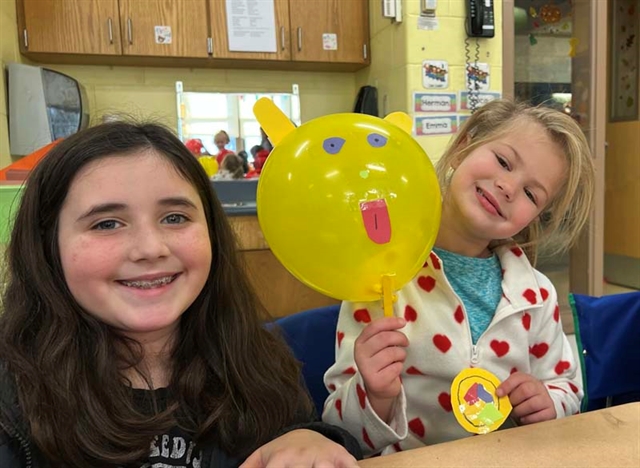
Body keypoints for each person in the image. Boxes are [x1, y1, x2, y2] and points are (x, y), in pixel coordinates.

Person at [0, 122, 362, 467]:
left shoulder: (256, 360)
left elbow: (297, 438)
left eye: (174, 217)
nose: (150, 248)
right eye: (106, 223)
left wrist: (311, 439)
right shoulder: (11, 396)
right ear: (48, 246)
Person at [322, 99, 595, 455]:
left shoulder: (536, 295)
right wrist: (373, 395)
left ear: (534, 217)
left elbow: (567, 387)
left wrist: (548, 402)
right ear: (462, 147)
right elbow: (339, 431)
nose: (509, 187)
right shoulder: (380, 278)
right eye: (503, 161)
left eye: (531, 193)